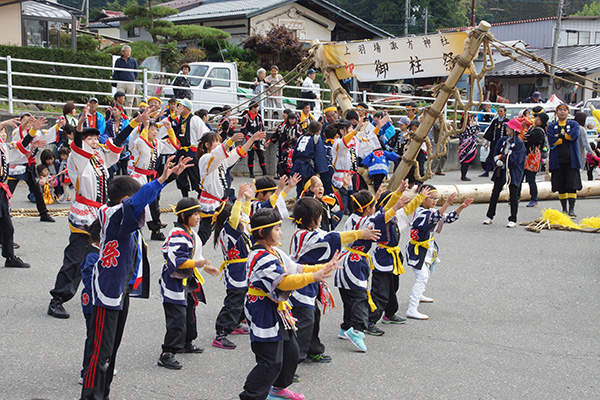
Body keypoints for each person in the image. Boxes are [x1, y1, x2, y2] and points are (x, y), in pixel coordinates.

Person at [81, 155, 192, 400]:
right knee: (99, 352)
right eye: (137, 198)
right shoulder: (114, 214)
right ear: (125, 200)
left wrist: (164, 182)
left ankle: (103, 394)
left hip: (120, 291)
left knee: (111, 352)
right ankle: (90, 397)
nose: (143, 204)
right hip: (106, 293)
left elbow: (141, 200)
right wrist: (163, 179)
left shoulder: (125, 219)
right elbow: (137, 202)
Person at [48, 107, 150, 320]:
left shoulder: (100, 156)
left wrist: (133, 123)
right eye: (90, 138)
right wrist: (79, 127)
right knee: (75, 257)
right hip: (83, 212)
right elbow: (77, 145)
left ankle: (96, 290)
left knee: (101, 254)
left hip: (100, 211)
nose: (95, 141)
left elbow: (116, 144)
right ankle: (57, 299)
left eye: (96, 137)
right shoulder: (77, 158)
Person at [239, 208, 341, 400]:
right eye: (277, 228)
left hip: (277, 307)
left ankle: (278, 389)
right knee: (270, 361)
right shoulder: (259, 256)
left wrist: (323, 268)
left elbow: (296, 268)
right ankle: (251, 396)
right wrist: (314, 277)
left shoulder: (274, 251)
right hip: (262, 309)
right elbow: (284, 281)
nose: (281, 232)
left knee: (291, 351)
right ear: (262, 233)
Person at [289, 196, 380, 363]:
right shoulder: (304, 236)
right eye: (320, 214)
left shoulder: (311, 232)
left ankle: (312, 349)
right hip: (300, 282)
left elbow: (332, 234)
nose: (322, 218)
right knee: (304, 320)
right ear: (313, 218)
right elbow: (333, 239)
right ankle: (293, 361)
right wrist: (360, 234)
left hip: (311, 280)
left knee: (313, 317)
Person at [158, 197, 220, 369]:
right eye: (194, 214)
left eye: (198, 213)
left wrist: (207, 267)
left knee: (190, 311)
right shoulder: (176, 233)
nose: (198, 217)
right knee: (176, 316)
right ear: (184, 215)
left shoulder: (191, 233)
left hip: (187, 279)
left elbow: (196, 257)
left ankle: (186, 341)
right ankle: (167, 353)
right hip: (174, 279)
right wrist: (197, 264)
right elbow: (177, 260)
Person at [368, 181, 427, 332]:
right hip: (383, 257)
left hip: (393, 256)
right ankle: (370, 321)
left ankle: (390, 313)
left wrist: (420, 197)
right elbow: (389, 207)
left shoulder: (396, 216)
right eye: (396, 202)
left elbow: (410, 208)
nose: (400, 205)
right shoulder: (381, 217)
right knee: (380, 291)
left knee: (393, 287)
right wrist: (398, 194)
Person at [406, 187, 473, 320]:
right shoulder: (419, 212)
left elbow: (446, 218)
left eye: (437, 198)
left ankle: (419, 295)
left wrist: (461, 208)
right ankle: (412, 308)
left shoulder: (430, 211)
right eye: (433, 198)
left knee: (428, 272)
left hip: (428, 249)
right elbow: (434, 217)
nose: (435, 201)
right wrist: (447, 203)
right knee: (422, 276)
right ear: (422, 198)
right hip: (417, 250)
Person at [333, 188, 386, 351]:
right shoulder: (367, 222)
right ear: (368, 209)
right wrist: (397, 204)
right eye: (373, 205)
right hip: (354, 262)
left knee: (348, 297)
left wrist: (374, 198)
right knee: (360, 297)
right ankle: (357, 330)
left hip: (343, 259)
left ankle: (345, 327)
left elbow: (369, 210)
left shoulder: (353, 217)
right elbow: (383, 217)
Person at [196, 130, 265, 245]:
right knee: (204, 234)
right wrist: (231, 140)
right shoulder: (205, 159)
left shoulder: (222, 161)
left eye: (220, 142)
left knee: (236, 227)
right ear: (207, 145)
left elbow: (236, 153)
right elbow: (216, 155)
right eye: (216, 142)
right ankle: (189, 254)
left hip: (224, 203)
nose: (219, 145)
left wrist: (252, 139)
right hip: (211, 204)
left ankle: (241, 250)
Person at [212, 182, 254, 350]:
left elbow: (244, 215)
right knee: (234, 301)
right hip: (235, 270)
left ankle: (236, 323)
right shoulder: (227, 230)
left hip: (244, 268)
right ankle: (220, 333)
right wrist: (238, 198)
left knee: (244, 298)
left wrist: (248, 200)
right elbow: (236, 217)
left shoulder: (239, 228)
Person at [8, 112, 63, 222]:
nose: (28, 123)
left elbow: (47, 135)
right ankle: (3, 212)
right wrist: (29, 128)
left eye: (30, 120)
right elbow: (22, 144)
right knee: (8, 192)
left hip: (29, 165)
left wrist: (57, 125)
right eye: (25, 121)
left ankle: (43, 213)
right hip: (16, 165)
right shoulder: (16, 132)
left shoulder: (36, 133)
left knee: (37, 190)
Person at [129, 119, 179, 240]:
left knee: (154, 202)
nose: (155, 132)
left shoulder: (157, 143)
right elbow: (142, 141)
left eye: (156, 129)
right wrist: (145, 125)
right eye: (152, 129)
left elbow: (173, 147)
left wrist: (169, 129)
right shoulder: (138, 142)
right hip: (139, 176)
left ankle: (155, 230)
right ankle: (134, 228)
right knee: (140, 202)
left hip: (152, 176)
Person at [0, 118, 32, 268]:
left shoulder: (5, 148)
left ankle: (10, 257)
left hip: (1, 190)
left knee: (7, 226)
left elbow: (21, 146)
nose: (3, 134)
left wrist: (31, 132)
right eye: (0, 131)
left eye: (4, 132)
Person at [482, 118, 526, 228]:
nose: (507, 129)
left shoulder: (519, 143)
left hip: (513, 172)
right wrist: (496, 160)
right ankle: (489, 216)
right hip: (500, 170)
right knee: (495, 193)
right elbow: (495, 152)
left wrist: (503, 158)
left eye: (509, 127)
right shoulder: (502, 140)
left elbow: (517, 159)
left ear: (514, 130)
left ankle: (513, 219)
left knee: (514, 195)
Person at [546, 104, 582, 217]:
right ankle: (564, 209)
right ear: (556, 113)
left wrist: (560, 136)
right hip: (557, 160)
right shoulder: (552, 126)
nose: (562, 112)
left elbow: (573, 136)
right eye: (560, 110)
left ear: (568, 112)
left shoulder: (574, 124)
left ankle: (572, 209)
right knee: (560, 185)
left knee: (572, 185)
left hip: (571, 160)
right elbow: (552, 141)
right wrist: (565, 137)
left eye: (565, 110)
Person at [79, 219, 101, 384]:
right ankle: (86, 371)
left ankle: (99, 366)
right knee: (93, 336)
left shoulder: (99, 251)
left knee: (102, 336)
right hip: (93, 300)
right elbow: (89, 279)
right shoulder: (92, 255)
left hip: (99, 299)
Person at [173, 98, 205, 198]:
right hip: (180, 150)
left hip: (191, 150)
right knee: (180, 176)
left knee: (195, 175)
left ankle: (200, 195)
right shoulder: (177, 119)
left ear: (187, 108)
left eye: (181, 106)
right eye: (179, 106)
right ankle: (184, 197)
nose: (179, 108)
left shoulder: (195, 119)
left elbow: (202, 135)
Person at [290, 120, 328, 197]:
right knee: (309, 188)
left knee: (299, 189)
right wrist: (318, 172)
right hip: (308, 168)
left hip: (297, 166)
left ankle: (299, 203)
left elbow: (294, 154)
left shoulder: (301, 138)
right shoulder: (316, 139)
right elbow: (319, 156)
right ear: (319, 130)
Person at [523, 112, 548, 207]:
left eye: (538, 119)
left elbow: (525, 138)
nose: (535, 120)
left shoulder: (538, 131)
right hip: (527, 156)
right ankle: (515, 197)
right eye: (535, 118)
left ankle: (534, 198)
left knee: (530, 179)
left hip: (532, 158)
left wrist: (523, 129)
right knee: (520, 178)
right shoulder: (532, 128)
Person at [268, 110, 302, 178]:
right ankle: (283, 175)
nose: (292, 121)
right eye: (290, 119)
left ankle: (293, 175)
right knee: (283, 160)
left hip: (295, 147)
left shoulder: (297, 127)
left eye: (293, 119)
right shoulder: (285, 126)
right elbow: (280, 135)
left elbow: (300, 136)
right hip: (285, 146)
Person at [240, 102, 266, 178]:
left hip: (258, 138)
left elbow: (262, 127)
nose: (258, 109)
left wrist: (263, 137)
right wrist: (249, 140)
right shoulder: (246, 117)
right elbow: (243, 128)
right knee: (251, 156)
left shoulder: (259, 116)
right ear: (253, 108)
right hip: (249, 138)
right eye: (257, 107)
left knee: (261, 155)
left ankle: (265, 173)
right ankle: (251, 173)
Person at [480, 106, 508, 177]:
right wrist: (487, 141)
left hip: (503, 143)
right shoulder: (495, 121)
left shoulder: (507, 121)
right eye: (498, 111)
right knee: (490, 156)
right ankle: (486, 172)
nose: (499, 112)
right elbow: (490, 132)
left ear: (505, 112)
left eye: (501, 111)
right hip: (494, 141)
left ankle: (498, 173)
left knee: (500, 157)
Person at [112, 45, 138, 114]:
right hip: (121, 82)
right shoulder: (118, 61)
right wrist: (117, 80)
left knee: (130, 100)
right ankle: (119, 113)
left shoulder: (133, 61)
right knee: (119, 99)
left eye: (129, 51)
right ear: (122, 52)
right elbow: (116, 72)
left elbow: (136, 72)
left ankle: (128, 115)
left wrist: (132, 78)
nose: (128, 52)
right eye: (127, 51)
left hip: (131, 82)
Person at [457, 115, 480, 181]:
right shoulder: (469, 128)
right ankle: (463, 176)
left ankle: (463, 175)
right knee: (466, 162)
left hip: (462, 146)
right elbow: (478, 130)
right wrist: (476, 122)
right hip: (468, 147)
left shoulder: (460, 127)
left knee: (463, 161)